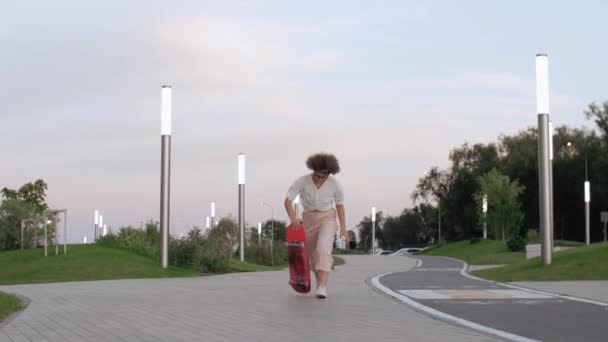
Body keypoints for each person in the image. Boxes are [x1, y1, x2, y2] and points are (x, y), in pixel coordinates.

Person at [284, 153, 349, 299]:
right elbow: (288, 200)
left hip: (328, 217)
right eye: (317, 176)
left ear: (329, 174)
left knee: (323, 248)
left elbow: (340, 206)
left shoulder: (335, 184)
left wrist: (343, 228)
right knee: (313, 257)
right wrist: (293, 218)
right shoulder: (302, 181)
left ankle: (323, 286)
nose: (319, 179)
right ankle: (320, 283)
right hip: (308, 219)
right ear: (313, 170)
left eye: (323, 177)